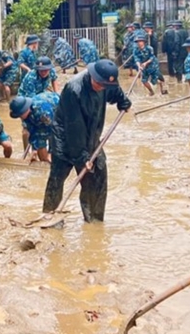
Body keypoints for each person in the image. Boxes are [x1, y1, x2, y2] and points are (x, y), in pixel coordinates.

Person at [42, 59, 131, 222]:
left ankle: (94, 220)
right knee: (57, 179)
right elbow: (74, 127)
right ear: (92, 75)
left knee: (98, 175)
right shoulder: (74, 89)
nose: (100, 87)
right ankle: (50, 216)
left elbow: (115, 91)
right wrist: (82, 158)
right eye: (98, 83)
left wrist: (122, 101)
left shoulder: (105, 84)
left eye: (104, 85)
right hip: (65, 138)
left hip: (90, 138)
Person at [9, 91, 60, 162]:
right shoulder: (25, 115)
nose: (20, 117)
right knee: (40, 146)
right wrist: (34, 149)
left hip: (59, 111)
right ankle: (44, 163)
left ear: (26, 109)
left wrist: (50, 152)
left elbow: (53, 131)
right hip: (42, 116)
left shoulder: (43, 113)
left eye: (20, 114)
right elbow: (32, 131)